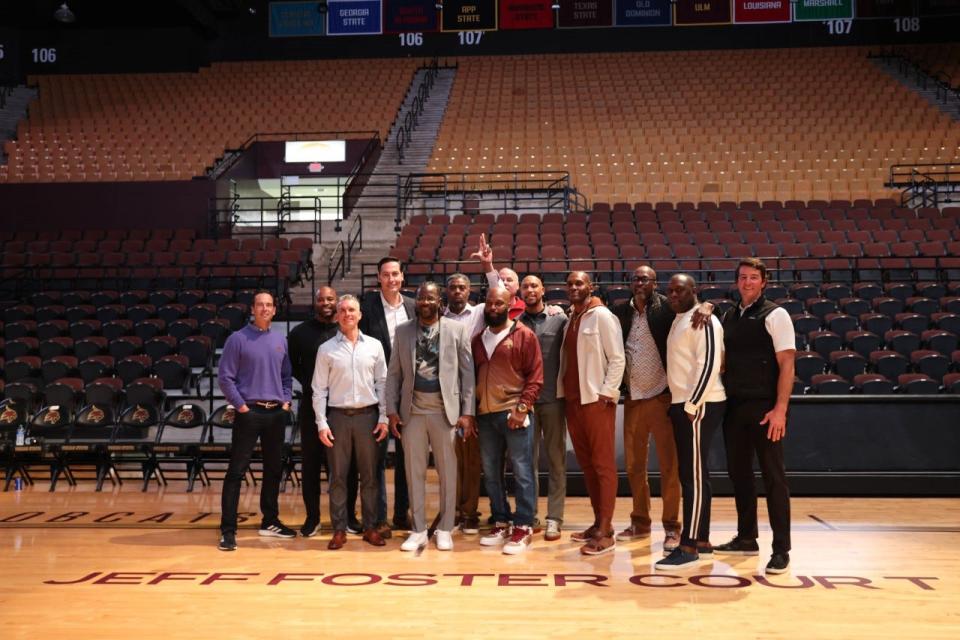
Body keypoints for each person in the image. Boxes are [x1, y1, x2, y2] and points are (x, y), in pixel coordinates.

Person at [715, 257, 796, 575]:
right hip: (734, 406)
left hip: (766, 409)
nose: (747, 282)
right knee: (740, 475)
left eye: (753, 277)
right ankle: (747, 537)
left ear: (764, 281)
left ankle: (781, 549)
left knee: (774, 479)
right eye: (742, 277)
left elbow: (788, 365)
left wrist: (780, 410)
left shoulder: (776, 314)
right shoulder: (730, 314)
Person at [386, 281, 476, 552]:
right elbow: (393, 374)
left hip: (444, 411)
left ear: (440, 301)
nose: (424, 302)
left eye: (430, 298)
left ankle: (446, 528)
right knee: (414, 473)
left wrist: (467, 412)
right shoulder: (402, 332)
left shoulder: (457, 330)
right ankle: (419, 529)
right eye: (421, 298)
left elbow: (467, 375)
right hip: (411, 411)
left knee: (448, 472)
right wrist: (391, 409)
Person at [655, 274, 726, 571]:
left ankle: (689, 546)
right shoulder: (681, 317)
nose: (672, 295)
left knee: (692, 478)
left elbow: (708, 363)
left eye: (679, 290)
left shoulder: (704, 319)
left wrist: (693, 404)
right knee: (696, 474)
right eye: (669, 290)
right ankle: (703, 541)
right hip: (686, 404)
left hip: (700, 404)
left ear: (694, 291)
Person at [217, 290, 294, 551]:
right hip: (249, 412)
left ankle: (270, 521)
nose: (264, 309)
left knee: (273, 469)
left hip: (275, 414)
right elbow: (225, 378)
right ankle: (228, 531)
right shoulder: (237, 339)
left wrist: (286, 402)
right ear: (252, 309)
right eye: (260, 305)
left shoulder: (280, 340)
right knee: (236, 472)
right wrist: (240, 406)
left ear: (274, 310)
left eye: (269, 305)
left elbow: (286, 376)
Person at [312, 295, 390, 550]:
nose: (347, 314)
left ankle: (370, 527)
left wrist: (383, 417)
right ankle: (339, 528)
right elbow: (318, 390)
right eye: (342, 310)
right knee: (338, 477)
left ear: (360, 315)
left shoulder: (375, 346)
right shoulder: (326, 349)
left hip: (368, 417)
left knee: (369, 476)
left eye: (352, 310)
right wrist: (322, 423)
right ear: (337, 315)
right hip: (337, 418)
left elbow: (383, 384)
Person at [558, 271, 625, 556]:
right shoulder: (570, 317)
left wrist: (607, 393)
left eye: (579, 283)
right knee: (587, 466)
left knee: (603, 466)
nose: (574, 287)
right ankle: (597, 521)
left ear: (590, 287)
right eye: (570, 284)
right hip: (572, 401)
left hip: (596, 402)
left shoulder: (602, 316)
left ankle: (607, 530)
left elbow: (618, 357)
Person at [473, 286, 544, 555]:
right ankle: (501, 520)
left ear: (509, 305)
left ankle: (524, 525)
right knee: (491, 473)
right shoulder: (478, 338)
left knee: (523, 472)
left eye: (499, 303)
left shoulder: (524, 335)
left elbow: (535, 377)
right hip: (486, 414)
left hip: (514, 413)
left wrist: (522, 408)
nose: (493, 308)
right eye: (489, 303)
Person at [357, 256, 415, 534]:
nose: (391, 279)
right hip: (376, 392)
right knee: (376, 460)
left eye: (396, 274)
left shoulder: (415, 307)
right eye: (386, 275)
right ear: (379, 278)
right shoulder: (366, 308)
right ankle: (379, 519)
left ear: (402, 277)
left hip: (409, 396)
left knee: (407, 458)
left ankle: (402, 514)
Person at [517, 274, 568, 541]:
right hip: (527, 403)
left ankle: (554, 518)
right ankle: (530, 515)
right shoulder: (515, 324)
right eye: (525, 286)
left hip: (553, 401)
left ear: (543, 290)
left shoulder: (560, 320)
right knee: (527, 463)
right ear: (521, 293)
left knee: (557, 461)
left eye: (534, 285)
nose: (530, 289)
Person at [287, 286, 339, 538]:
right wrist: (311, 383)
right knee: (310, 466)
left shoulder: (345, 329)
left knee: (341, 467)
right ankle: (312, 518)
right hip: (310, 405)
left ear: (337, 301)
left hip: (340, 406)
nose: (325, 303)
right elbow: (291, 367)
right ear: (315, 302)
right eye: (321, 299)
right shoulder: (299, 333)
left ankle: (344, 518)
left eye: (330, 299)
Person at [442, 273, 484, 535]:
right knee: (449, 457)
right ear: (447, 291)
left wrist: (487, 266)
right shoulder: (438, 317)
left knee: (471, 458)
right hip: (445, 395)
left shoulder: (479, 313)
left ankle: (469, 511)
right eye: (453, 287)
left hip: (473, 393)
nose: (457, 291)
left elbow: (500, 291)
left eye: (462, 287)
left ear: (469, 291)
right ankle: (452, 509)